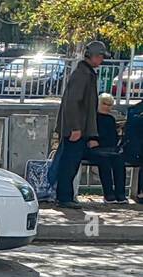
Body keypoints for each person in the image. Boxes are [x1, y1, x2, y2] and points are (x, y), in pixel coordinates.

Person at [53, 41, 109, 208]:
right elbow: (73, 103)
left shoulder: (85, 73)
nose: (101, 60)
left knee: (71, 162)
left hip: (79, 128)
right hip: (75, 129)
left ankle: (65, 196)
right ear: (93, 56)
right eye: (100, 56)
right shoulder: (83, 74)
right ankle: (64, 197)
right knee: (69, 163)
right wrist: (75, 127)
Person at [85, 93, 127, 203]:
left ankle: (121, 194)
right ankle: (108, 194)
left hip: (108, 149)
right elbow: (89, 138)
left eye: (110, 105)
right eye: (104, 104)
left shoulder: (110, 119)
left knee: (119, 162)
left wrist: (99, 142)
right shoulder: (91, 118)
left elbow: (113, 139)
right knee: (104, 163)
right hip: (94, 151)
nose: (107, 107)